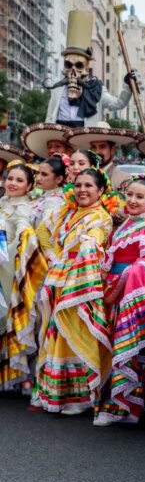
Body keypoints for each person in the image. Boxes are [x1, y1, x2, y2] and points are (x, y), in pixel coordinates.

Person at [33, 168, 115, 414]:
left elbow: (95, 239)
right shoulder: (66, 212)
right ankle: (57, 393)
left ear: (101, 191)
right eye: (78, 185)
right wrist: (53, 256)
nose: (82, 190)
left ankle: (79, 398)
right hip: (60, 277)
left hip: (81, 283)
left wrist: (88, 247)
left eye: (89, 186)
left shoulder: (100, 217)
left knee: (77, 331)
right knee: (56, 332)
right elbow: (41, 231)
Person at [94, 176, 145, 426]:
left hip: (131, 291)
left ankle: (122, 407)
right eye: (129, 194)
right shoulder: (127, 223)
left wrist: (131, 273)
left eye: (140, 197)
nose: (132, 200)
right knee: (120, 348)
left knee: (127, 348)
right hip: (117, 290)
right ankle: (125, 405)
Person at [0, 162, 48, 393]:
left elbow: (24, 234)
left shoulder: (27, 209)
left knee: (14, 317)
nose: (13, 183)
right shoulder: (2, 204)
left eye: (19, 180)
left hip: (11, 270)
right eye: (10, 178)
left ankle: (21, 374)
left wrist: (17, 240)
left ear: (30, 186)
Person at [67, 122, 139, 193]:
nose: (97, 151)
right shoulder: (81, 173)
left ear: (113, 150)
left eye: (102, 147)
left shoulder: (123, 178)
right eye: (94, 147)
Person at [32, 157, 67, 227]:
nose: (38, 178)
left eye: (44, 174)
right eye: (38, 173)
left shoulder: (56, 201)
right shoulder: (41, 192)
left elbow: (44, 230)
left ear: (59, 179)